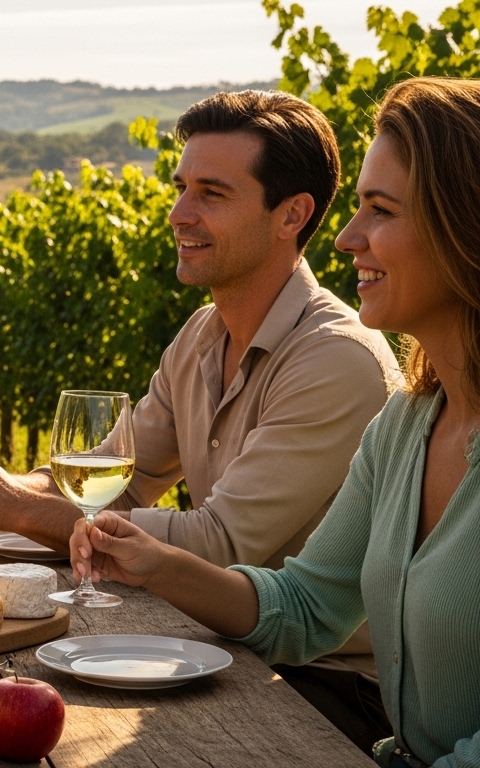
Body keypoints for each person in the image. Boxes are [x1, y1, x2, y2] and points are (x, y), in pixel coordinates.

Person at [0, 89, 402, 749]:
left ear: (292, 215)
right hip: (210, 647)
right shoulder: (200, 336)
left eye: (211, 194)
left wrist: (17, 510)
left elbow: (221, 545)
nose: (178, 213)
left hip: (323, 688)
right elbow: (113, 486)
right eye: (180, 187)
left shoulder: (336, 360)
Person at [69, 76, 480, 768]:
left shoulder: (340, 363)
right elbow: (304, 606)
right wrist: (156, 563)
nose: (347, 238)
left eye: (380, 211)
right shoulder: (408, 426)